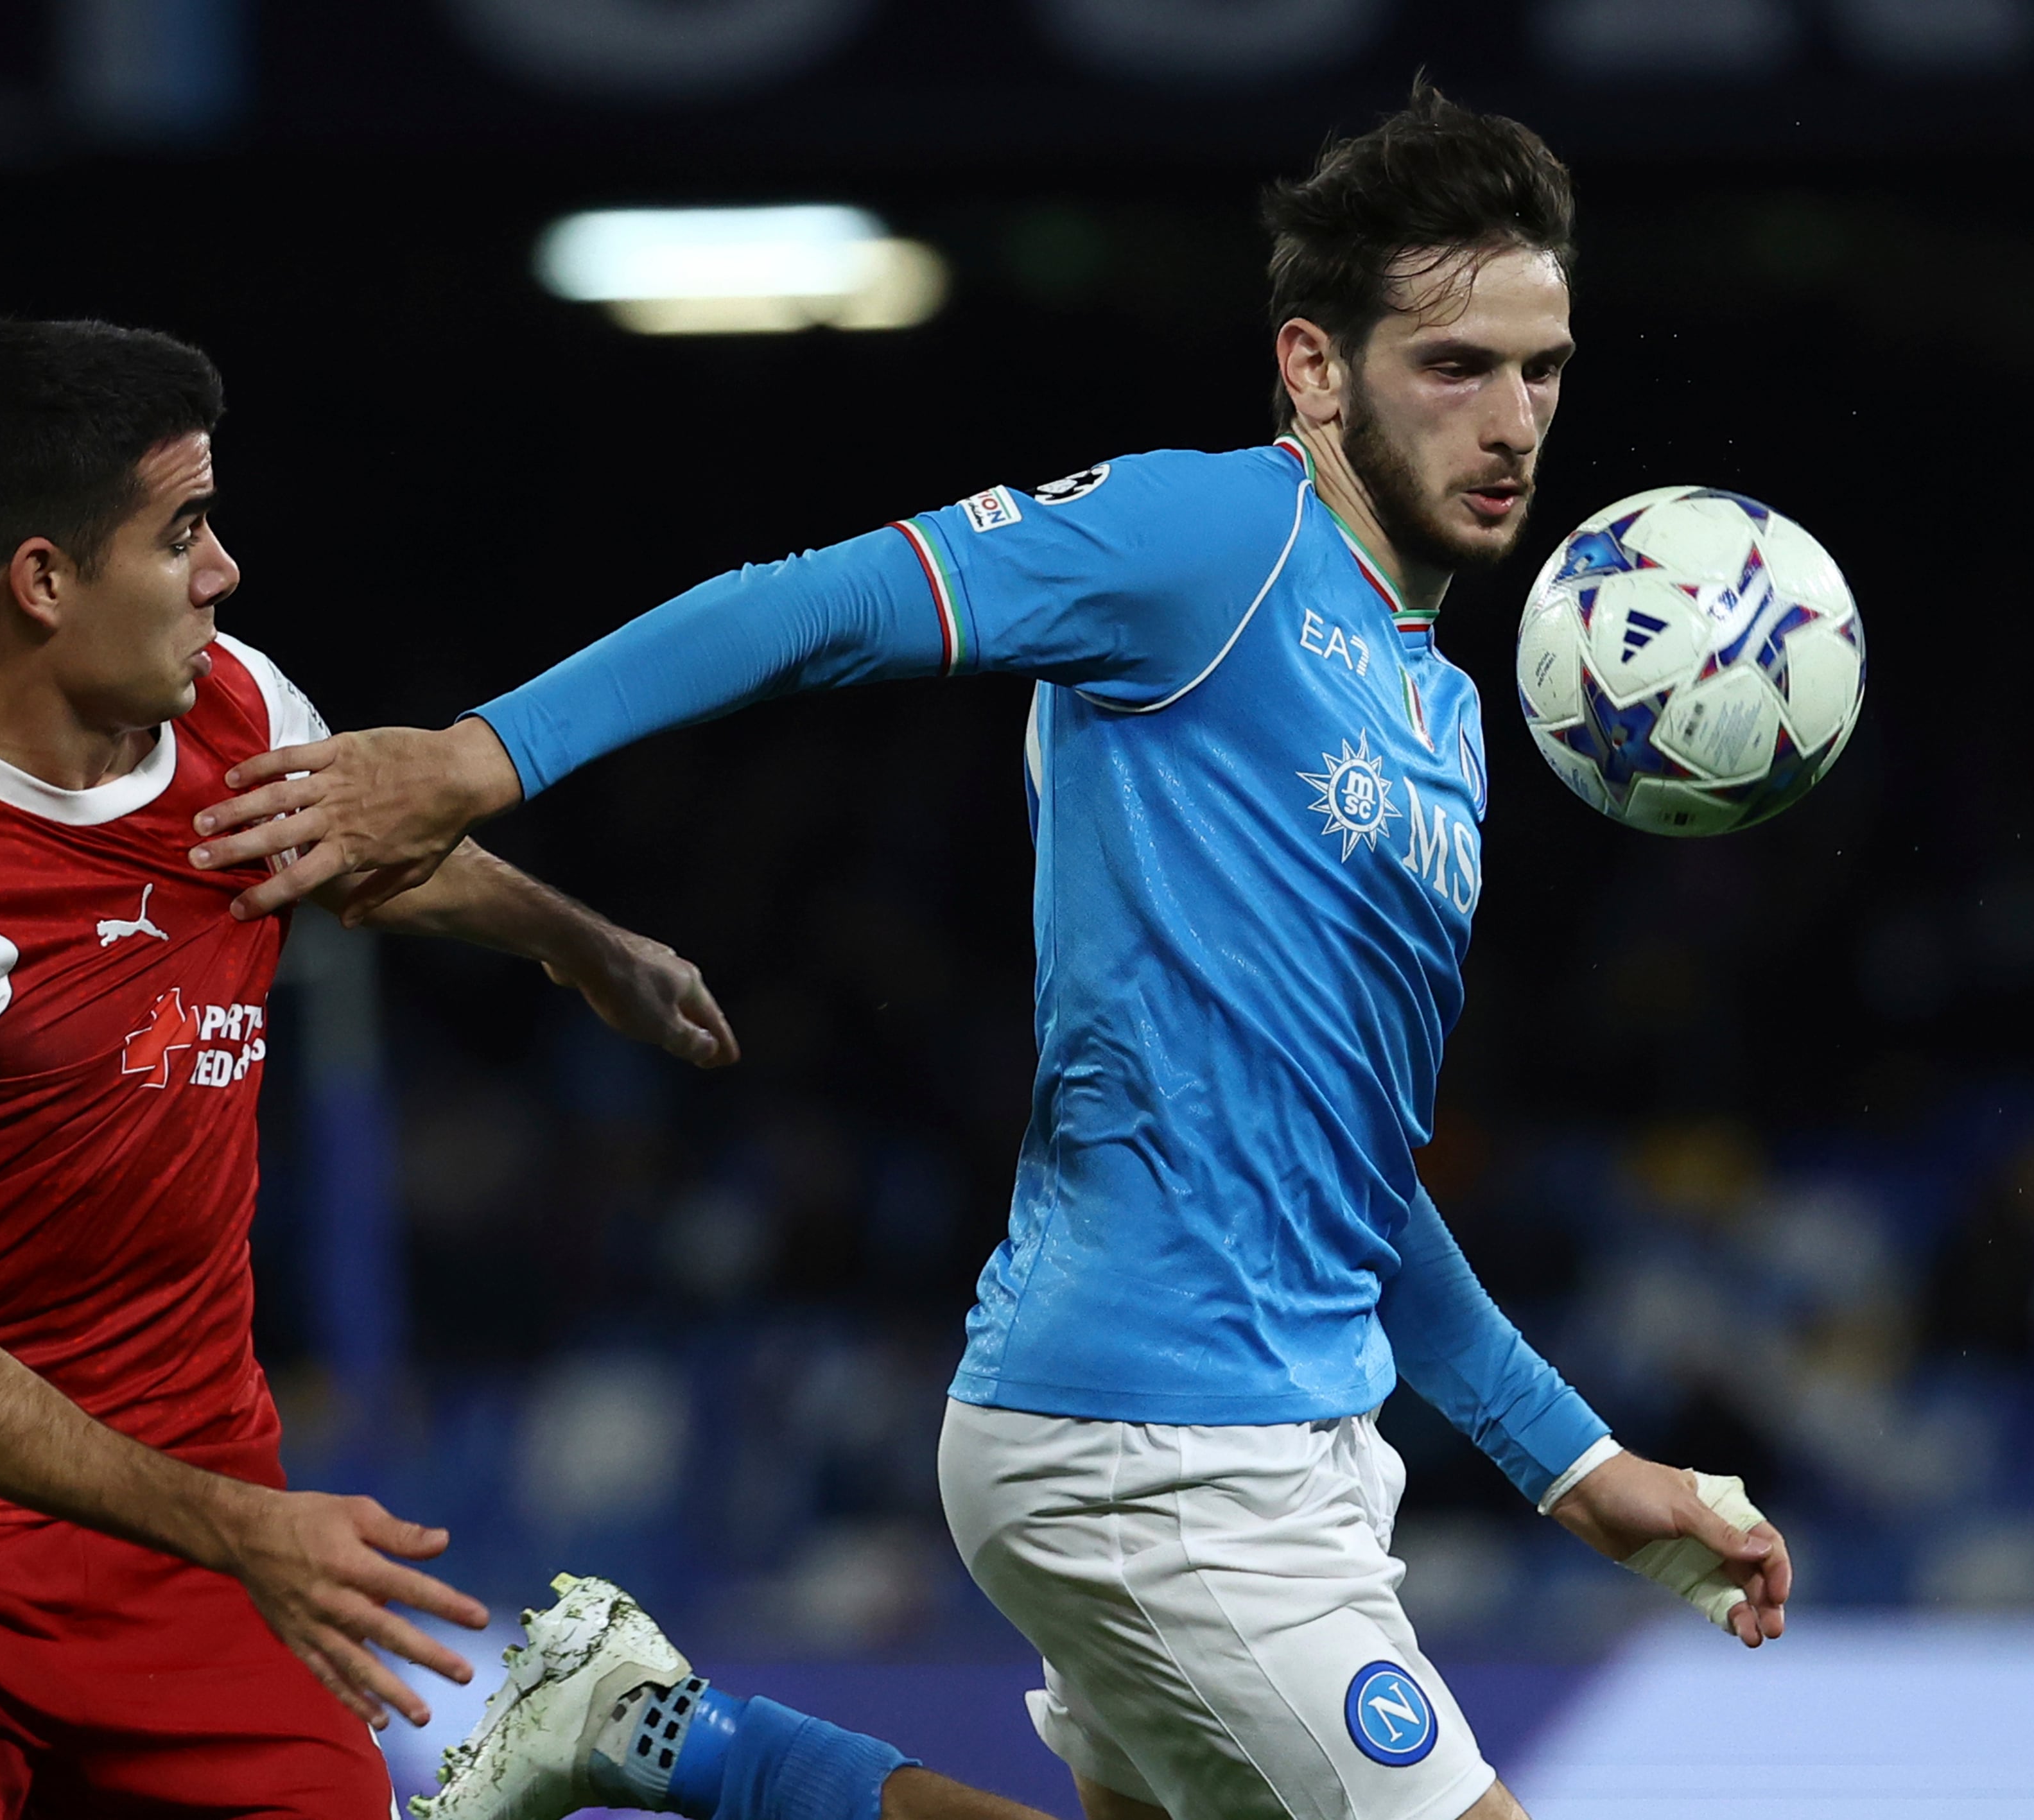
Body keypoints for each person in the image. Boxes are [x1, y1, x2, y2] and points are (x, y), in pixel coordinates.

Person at [191, 81, 1795, 1820]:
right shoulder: (1216, 540)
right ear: (1315, 371)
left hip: (1291, 1438)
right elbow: (814, 602)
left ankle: (667, 1730)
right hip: (1154, 1438)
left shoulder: (1444, 716)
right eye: (1453, 366)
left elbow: (1347, 1174)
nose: (1510, 421)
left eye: (1540, 371)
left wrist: (1577, 1464)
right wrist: (474, 757)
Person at [0, 316, 740, 1820]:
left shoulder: (232, 708)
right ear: (42, 580)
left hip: (188, 1524)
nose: (224, 570)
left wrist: (578, 943)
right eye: (181, 531)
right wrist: (243, 1529)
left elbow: (362, 855)